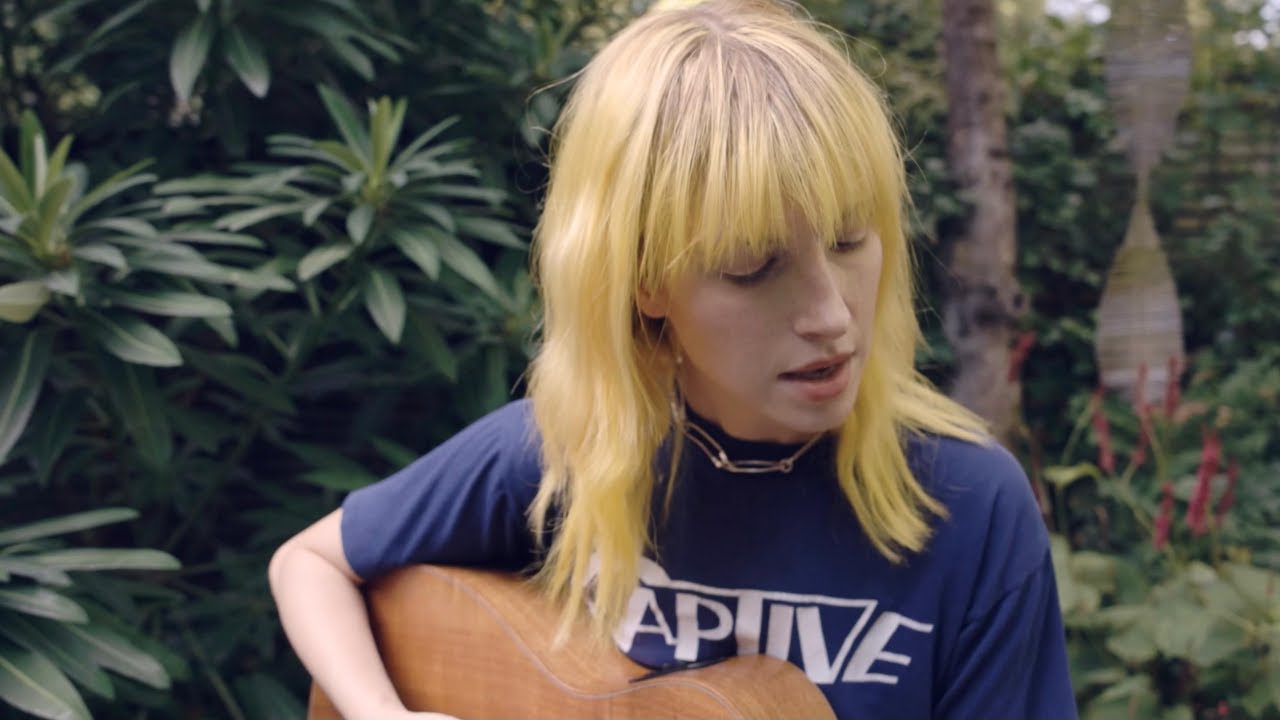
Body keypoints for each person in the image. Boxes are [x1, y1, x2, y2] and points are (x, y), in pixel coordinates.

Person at [268, 1, 1079, 718]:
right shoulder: (569, 450)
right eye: (753, 268)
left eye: (848, 240)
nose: (832, 316)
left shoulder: (968, 503)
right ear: (646, 282)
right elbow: (309, 563)